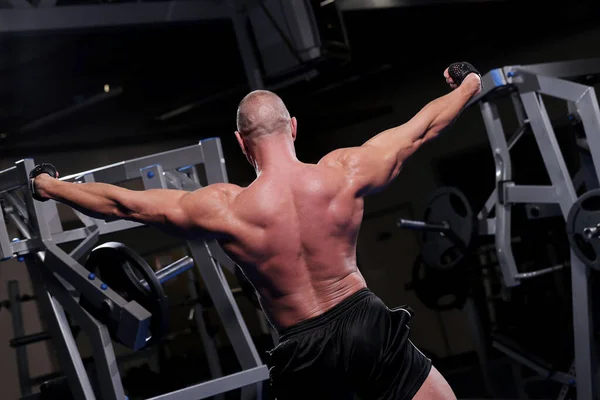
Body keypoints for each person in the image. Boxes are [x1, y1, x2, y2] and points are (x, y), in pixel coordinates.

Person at [31, 62, 482, 400]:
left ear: (242, 143)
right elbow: (418, 132)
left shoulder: (226, 208)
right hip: (364, 322)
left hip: (304, 351)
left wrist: (48, 185)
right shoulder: (344, 172)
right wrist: (468, 84)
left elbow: (121, 204)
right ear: (294, 127)